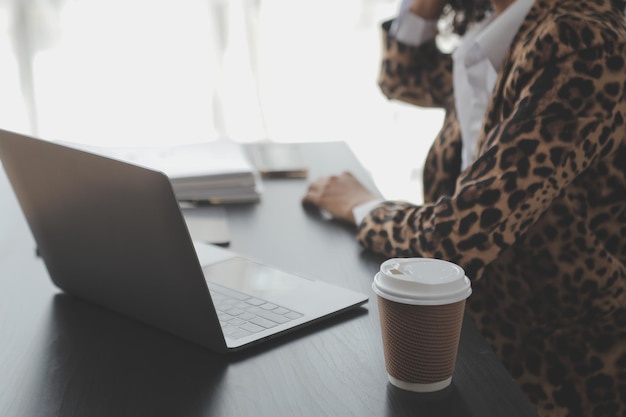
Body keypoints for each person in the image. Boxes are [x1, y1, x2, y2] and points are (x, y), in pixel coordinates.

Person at [302, 0, 626, 416]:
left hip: (556, 363)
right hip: (485, 327)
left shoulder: (582, 42)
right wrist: (422, 8)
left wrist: (364, 207)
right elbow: (403, 77)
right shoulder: (502, 27)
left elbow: (459, 236)